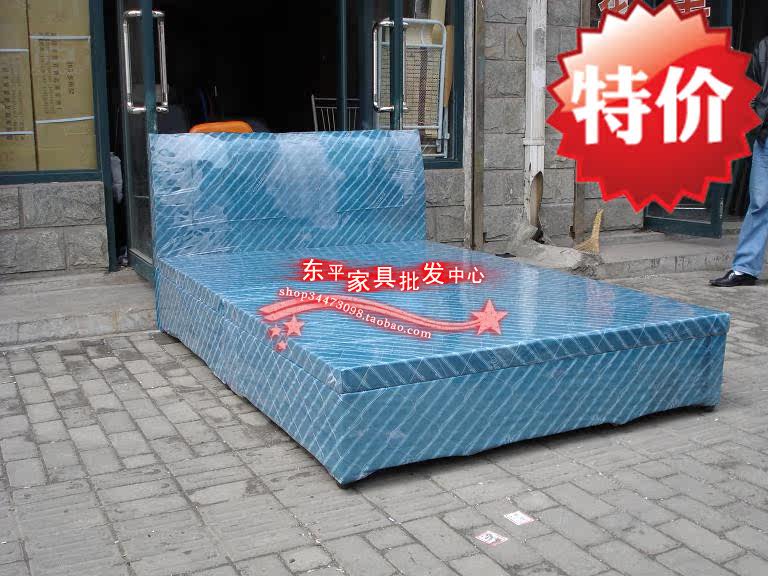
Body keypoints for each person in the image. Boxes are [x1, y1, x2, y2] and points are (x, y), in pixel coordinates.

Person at [711, 36, 768, 287]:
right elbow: (752, 87)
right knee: (759, 203)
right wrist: (755, 122)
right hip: (766, 137)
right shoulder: (765, 46)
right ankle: (745, 269)